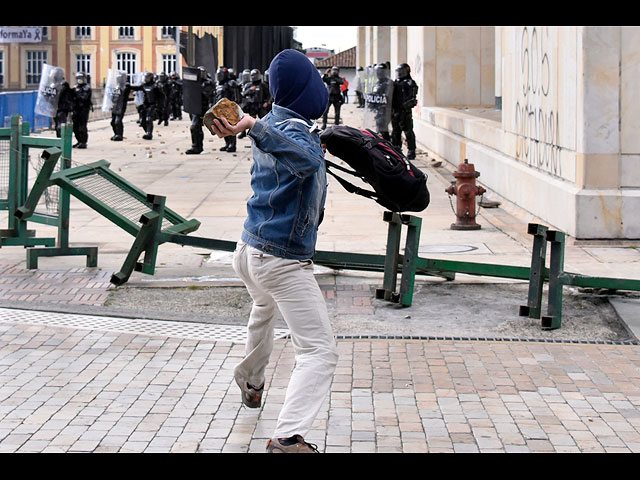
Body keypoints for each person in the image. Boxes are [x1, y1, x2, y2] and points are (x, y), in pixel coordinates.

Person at [207, 48, 338, 454]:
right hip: (280, 258)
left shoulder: (278, 122)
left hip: (249, 250)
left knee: (263, 310)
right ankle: (287, 437)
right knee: (319, 350)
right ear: (307, 90)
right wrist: (251, 126)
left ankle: (251, 381)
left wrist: (255, 125)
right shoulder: (284, 131)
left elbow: (295, 152)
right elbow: (305, 160)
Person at [391, 63, 419, 160]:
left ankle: (411, 151)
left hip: (405, 111)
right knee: (395, 132)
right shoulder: (395, 83)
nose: (399, 74)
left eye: (401, 71)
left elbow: (412, 97)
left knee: (408, 132)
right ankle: (396, 150)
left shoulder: (410, 83)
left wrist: (407, 104)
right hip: (395, 111)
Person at [185, 66, 215, 155]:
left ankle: (195, 146)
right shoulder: (193, 83)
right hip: (193, 107)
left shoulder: (207, 83)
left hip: (202, 107)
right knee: (197, 127)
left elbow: (207, 94)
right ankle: (198, 146)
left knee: (194, 127)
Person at [214, 66, 239, 152]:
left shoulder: (231, 83)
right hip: (220, 109)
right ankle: (227, 143)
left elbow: (236, 97)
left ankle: (232, 145)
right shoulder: (218, 85)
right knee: (223, 127)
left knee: (230, 127)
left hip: (229, 109)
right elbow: (216, 97)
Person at [71, 72, 92, 148]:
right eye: (78, 78)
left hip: (83, 109)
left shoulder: (87, 88)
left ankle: (83, 141)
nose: (79, 80)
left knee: (82, 126)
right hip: (76, 109)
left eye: (81, 78)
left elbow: (83, 98)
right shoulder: (75, 87)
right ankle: (79, 140)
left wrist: (76, 94)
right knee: (75, 127)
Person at [109, 71, 132, 141]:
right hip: (115, 106)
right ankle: (116, 133)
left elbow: (125, 93)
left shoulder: (126, 86)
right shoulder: (116, 87)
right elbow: (114, 97)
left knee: (117, 121)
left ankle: (119, 135)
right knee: (113, 122)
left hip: (121, 106)